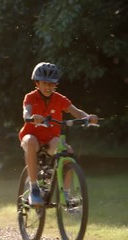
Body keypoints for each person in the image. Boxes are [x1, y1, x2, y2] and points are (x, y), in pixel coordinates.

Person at [18, 62, 98, 206]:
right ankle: (34, 188)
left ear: (56, 84)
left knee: (67, 152)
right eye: (44, 83)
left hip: (50, 139)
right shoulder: (30, 97)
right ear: (37, 83)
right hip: (32, 137)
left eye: (52, 84)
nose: (48, 87)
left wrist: (88, 117)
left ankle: (65, 195)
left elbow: (76, 112)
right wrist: (31, 117)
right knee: (30, 141)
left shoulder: (60, 99)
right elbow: (26, 112)